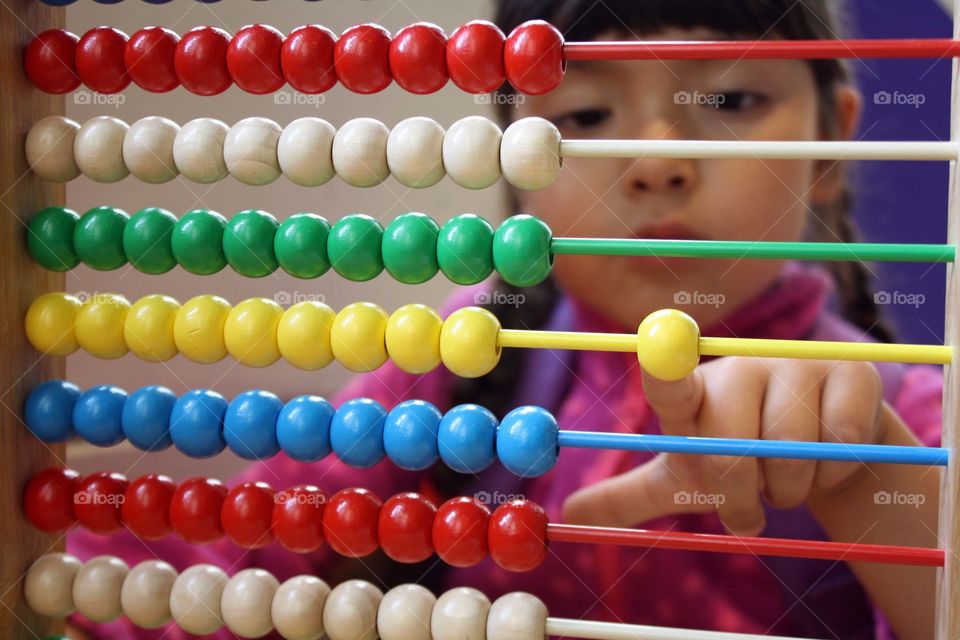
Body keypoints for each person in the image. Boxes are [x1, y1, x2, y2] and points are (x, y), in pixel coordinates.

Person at [67, 1, 944, 638]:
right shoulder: (462, 352)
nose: (656, 161)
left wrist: (869, 476)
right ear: (514, 165)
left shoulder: (911, 409)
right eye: (587, 117)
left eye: (732, 103)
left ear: (836, 141)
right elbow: (260, 553)